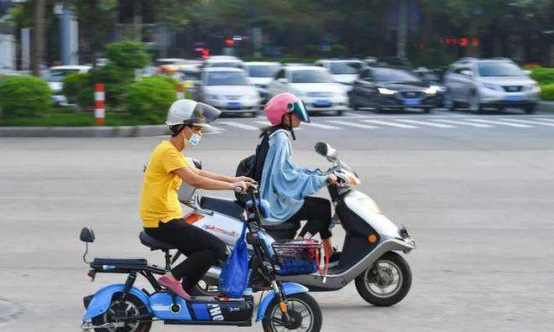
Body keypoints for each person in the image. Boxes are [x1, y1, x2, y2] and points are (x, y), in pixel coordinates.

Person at [140, 99, 255, 300]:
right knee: (216, 247)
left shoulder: (172, 151)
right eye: (196, 129)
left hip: (167, 219)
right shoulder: (167, 152)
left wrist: (234, 179)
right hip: (162, 222)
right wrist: (231, 187)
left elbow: (200, 173)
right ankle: (172, 277)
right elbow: (195, 180)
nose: (199, 134)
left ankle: (188, 289)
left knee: (206, 251)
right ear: (182, 127)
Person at [257, 93, 340, 263]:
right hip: (275, 202)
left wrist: (317, 174)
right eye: (295, 113)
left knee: (323, 205)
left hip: (272, 196)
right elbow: (283, 177)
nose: (299, 118)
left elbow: (288, 168)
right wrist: (320, 180)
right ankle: (295, 249)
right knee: (322, 211)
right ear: (285, 116)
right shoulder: (280, 138)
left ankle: (329, 253)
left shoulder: (275, 134)